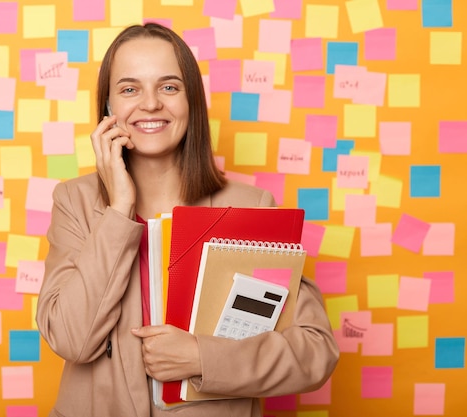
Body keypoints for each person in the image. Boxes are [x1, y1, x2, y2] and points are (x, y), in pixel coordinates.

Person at [35, 22, 339, 417]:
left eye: (169, 87)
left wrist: (202, 357)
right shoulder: (74, 202)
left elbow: (315, 351)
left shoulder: (252, 207)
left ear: (191, 101)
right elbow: (71, 339)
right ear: (108, 110)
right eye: (129, 89)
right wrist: (119, 210)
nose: (149, 104)